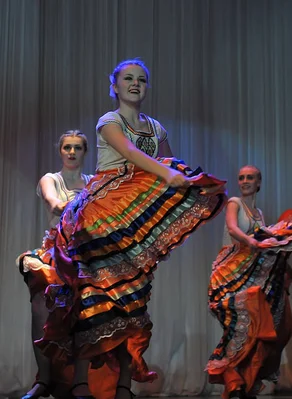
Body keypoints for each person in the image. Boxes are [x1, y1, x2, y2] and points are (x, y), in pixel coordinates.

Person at [34, 59, 227, 399]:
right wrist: (168, 175)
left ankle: (124, 385)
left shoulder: (156, 128)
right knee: (93, 297)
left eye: (141, 80)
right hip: (103, 212)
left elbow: (168, 165)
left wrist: (195, 183)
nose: (135, 84)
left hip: (134, 220)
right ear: (116, 85)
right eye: (128, 79)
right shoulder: (109, 121)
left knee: (131, 299)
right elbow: (132, 154)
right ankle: (80, 381)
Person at [18, 131, 118, 399]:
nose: (72, 152)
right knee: (40, 306)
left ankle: (80, 382)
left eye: (77, 148)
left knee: (88, 312)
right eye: (67, 148)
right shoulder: (51, 179)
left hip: (87, 254)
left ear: (85, 152)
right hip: (55, 253)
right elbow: (54, 204)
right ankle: (44, 379)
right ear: (60, 151)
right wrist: (86, 204)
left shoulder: (93, 182)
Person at [205, 165, 292, 399]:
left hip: (248, 275)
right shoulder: (234, 202)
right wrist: (251, 242)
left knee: (255, 328)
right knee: (239, 326)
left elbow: (265, 243)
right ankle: (233, 378)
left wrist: (280, 241)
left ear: (258, 182)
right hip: (229, 274)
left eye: (250, 177)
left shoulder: (259, 213)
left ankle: (241, 383)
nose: (244, 181)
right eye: (241, 177)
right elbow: (233, 228)